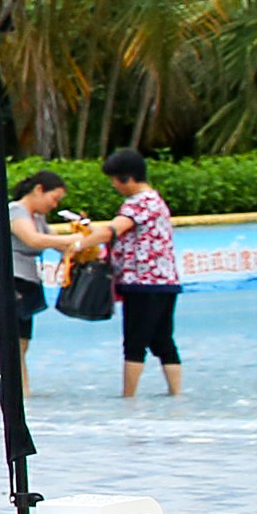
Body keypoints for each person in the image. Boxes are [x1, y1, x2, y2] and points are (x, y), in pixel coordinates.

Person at [0, 171, 93, 403]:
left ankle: (22, 396)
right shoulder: (15, 211)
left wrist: (87, 240)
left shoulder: (38, 218)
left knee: (20, 345)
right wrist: (73, 240)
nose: (55, 205)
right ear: (39, 190)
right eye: (54, 198)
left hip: (27, 283)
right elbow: (33, 240)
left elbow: (58, 244)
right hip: (7, 283)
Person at [98, 148, 185, 398]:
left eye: (114, 180)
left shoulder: (138, 203)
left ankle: (129, 397)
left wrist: (78, 242)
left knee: (134, 342)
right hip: (165, 281)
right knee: (162, 339)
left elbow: (113, 231)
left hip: (143, 282)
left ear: (127, 177)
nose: (114, 186)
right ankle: (176, 394)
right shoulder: (155, 200)